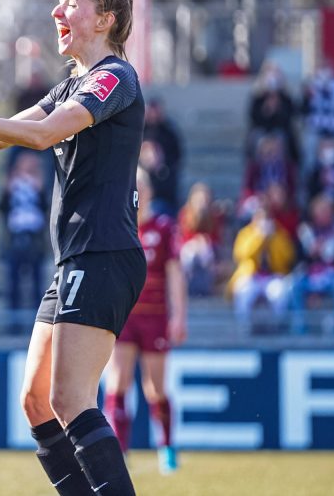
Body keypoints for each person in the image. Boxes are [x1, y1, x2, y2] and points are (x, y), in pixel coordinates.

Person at [0, 0, 143, 496]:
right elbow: (5, 134)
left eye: (70, 4)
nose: (57, 12)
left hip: (103, 253)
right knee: (36, 402)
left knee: (71, 400)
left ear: (104, 20)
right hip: (75, 259)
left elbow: (42, 134)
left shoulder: (113, 77)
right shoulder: (70, 83)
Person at [104, 170, 186, 475]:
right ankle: (119, 452)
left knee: (156, 388)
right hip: (124, 316)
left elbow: (176, 275)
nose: (136, 191)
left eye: (140, 186)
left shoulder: (163, 228)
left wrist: (179, 316)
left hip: (155, 317)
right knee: (117, 383)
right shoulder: (119, 225)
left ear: (148, 191)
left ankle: (167, 448)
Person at [291, 195, 334, 334]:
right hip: (310, 275)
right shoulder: (305, 231)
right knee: (294, 284)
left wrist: (324, 249)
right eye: (320, 211)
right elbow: (298, 258)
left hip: (333, 275)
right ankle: (299, 328)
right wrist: (311, 252)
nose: (323, 214)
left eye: (327, 210)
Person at [0, 150, 48, 320]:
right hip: (15, 237)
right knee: (13, 283)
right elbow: (1, 208)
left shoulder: (39, 182)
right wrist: (7, 189)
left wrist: (40, 189)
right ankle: (12, 320)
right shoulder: (12, 183)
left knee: (36, 281)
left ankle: (37, 319)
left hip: (34, 238)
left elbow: (45, 207)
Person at [229, 206, 296, 332]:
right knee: (244, 291)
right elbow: (241, 254)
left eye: (266, 219)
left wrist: (273, 238)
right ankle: (243, 326)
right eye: (260, 219)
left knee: (280, 292)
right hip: (251, 276)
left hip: (273, 276)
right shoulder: (246, 234)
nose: (263, 223)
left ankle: (277, 326)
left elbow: (287, 257)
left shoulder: (279, 234)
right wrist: (259, 238)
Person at [299, 62, 334, 165]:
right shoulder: (310, 85)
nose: (325, 73)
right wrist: (307, 99)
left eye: (327, 69)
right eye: (322, 69)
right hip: (315, 127)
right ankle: (309, 174)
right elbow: (301, 111)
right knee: (309, 143)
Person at [246, 62, 299, 164]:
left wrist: (278, 108)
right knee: (257, 139)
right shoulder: (258, 98)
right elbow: (253, 118)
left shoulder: (286, 98)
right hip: (262, 130)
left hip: (280, 130)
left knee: (283, 138)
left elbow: (289, 118)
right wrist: (267, 110)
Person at [304, 136, 334, 220]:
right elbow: (310, 194)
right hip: (319, 213)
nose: (328, 151)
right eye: (325, 147)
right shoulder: (314, 173)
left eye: (331, 146)